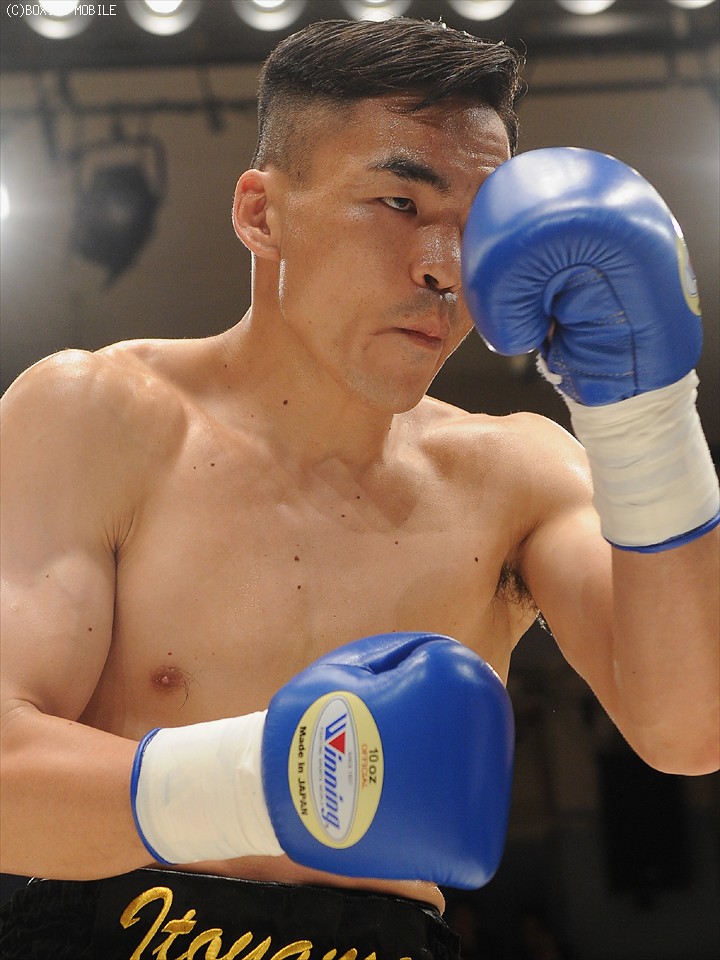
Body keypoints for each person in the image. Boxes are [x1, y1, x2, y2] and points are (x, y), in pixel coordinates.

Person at [1, 16, 718, 960]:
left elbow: (690, 728)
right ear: (262, 213)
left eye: (477, 226)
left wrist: (647, 415)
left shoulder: (519, 473)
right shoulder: (99, 417)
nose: (445, 266)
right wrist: (271, 784)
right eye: (398, 202)